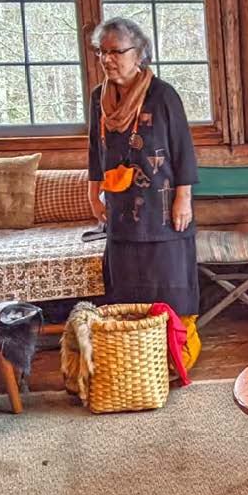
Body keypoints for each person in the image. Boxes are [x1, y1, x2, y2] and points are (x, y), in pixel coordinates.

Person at [87, 17, 199, 317]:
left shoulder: (163, 95)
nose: (107, 59)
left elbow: (183, 150)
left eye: (116, 52)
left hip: (161, 209)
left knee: (168, 281)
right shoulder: (99, 97)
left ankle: (172, 347)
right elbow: (95, 149)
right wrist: (92, 193)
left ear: (140, 54)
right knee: (124, 285)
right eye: (101, 52)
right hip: (119, 207)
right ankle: (132, 347)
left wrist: (183, 199)